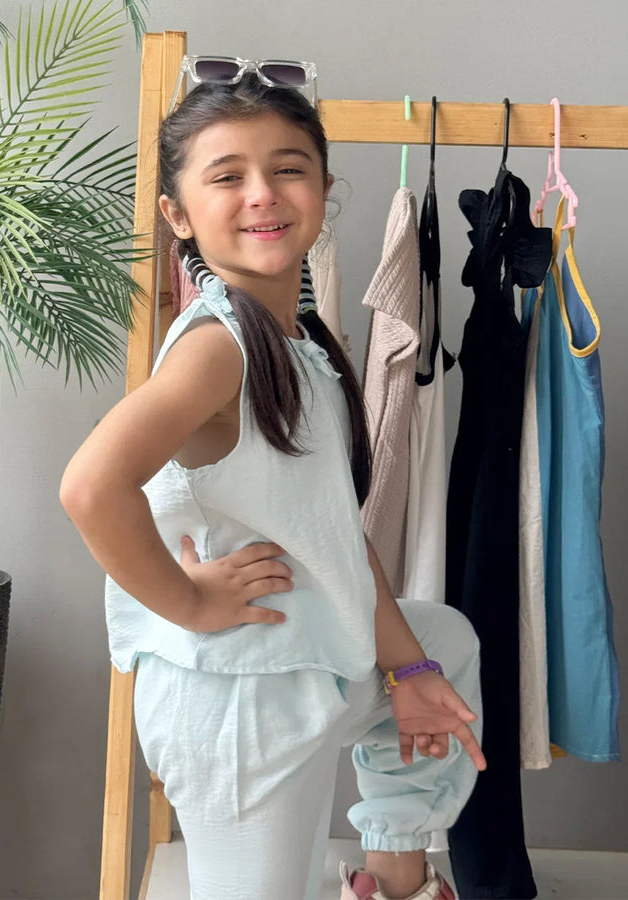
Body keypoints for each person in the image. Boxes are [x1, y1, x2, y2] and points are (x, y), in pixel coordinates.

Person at [60, 66, 486, 900]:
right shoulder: (219, 347)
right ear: (178, 215)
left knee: (445, 640)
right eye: (227, 176)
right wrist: (188, 603)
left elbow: (334, 535)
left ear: (323, 189)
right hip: (238, 707)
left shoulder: (305, 344)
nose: (263, 192)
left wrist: (410, 672)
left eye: (289, 168)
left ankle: (393, 874)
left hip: (309, 661)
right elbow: (90, 487)